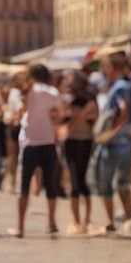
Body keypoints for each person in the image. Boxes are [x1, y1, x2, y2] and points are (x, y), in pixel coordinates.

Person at [13, 63, 65, 237]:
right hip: (48, 142)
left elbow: (24, 109)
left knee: (24, 186)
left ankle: (20, 226)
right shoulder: (53, 92)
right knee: (50, 186)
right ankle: (51, 223)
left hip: (29, 143)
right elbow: (60, 114)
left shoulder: (30, 90)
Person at [94, 54, 131, 234]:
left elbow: (123, 110)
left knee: (104, 183)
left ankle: (109, 222)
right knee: (123, 182)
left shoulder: (119, 87)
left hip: (113, 142)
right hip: (127, 142)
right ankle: (130, 217)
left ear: (112, 68)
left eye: (105, 67)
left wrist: (113, 130)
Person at [62, 71, 97, 234]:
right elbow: (62, 118)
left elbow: (94, 116)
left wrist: (80, 116)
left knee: (81, 181)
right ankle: (76, 221)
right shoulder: (68, 100)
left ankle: (87, 220)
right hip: (71, 142)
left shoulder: (90, 100)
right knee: (74, 181)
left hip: (84, 141)